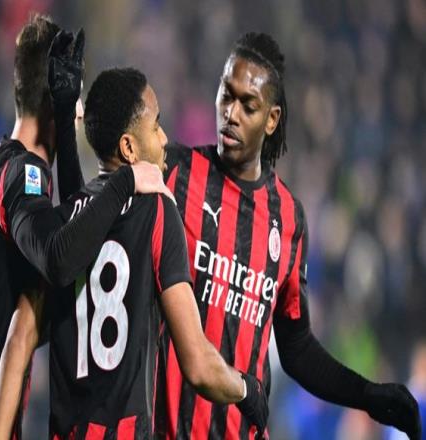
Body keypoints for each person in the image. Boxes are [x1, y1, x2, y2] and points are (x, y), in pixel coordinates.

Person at [156, 32, 422, 440]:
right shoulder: (175, 172)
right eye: (226, 95)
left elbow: (296, 349)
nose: (231, 113)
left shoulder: (288, 218)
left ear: (272, 118)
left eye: (249, 105)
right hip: (168, 430)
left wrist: (367, 394)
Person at [0, 67, 270, 440]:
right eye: (156, 126)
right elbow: (199, 366)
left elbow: (19, 337)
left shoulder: (62, 230)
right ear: (129, 148)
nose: (165, 138)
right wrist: (248, 390)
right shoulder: (157, 212)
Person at [0, 15, 168, 440]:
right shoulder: (24, 175)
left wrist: (61, 120)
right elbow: (59, 261)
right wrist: (125, 182)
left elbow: (74, 230)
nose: (78, 112)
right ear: (54, 92)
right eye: (72, 97)